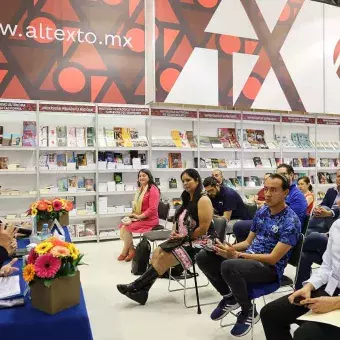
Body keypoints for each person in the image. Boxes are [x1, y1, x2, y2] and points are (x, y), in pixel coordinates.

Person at [196, 174, 301, 337]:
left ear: (286, 192)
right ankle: (230, 297)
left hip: (269, 269)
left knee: (229, 265)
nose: (267, 194)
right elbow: (247, 243)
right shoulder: (263, 211)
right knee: (204, 256)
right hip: (249, 259)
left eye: (274, 190)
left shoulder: (291, 221)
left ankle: (248, 311)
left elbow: (273, 258)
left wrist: (238, 255)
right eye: (265, 189)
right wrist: (225, 248)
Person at [116, 169, 214, 305]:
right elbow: (178, 221)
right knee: (157, 253)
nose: (185, 183)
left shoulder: (203, 200)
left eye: (188, 180)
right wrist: (174, 232)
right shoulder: (187, 198)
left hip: (201, 242)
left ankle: (136, 286)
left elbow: (203, 228)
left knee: (164, 257)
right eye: (183, 181)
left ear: (197, 180)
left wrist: (184, 237)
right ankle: (143, 292)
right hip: (183, 238)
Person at [260, 218, 340, 340]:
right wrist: (309, 286)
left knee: (305, 335)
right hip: (332, 288)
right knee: (270, 313)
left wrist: (336, 303)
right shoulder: (337, 225)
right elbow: (327, 266)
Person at [233, 164, 307, 242]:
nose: (280, 178)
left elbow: (292, 220)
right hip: (269, 219)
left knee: (240, 226)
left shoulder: (297, 195)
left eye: (282, 174)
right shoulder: (278, 189)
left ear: (291, 175)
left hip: (283, 227)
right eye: (277, 175)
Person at [118, 169, 160, 262]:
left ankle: (125, 251)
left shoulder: (153, 189)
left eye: (144, 175)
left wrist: (139, 217)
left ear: (149, 177)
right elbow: (137, 205)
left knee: (126, 227)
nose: (141, 177)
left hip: (150, 220)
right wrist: (133, 215)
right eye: (140, 176)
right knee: (123, 225)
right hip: (140, 217)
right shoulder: (140, 189)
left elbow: (153, 209)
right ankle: (131, 249)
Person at [306, 169, 340, 235]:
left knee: (325, 208)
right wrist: (317, 208)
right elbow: (323, 203)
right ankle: (305, 231)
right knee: (310, 233)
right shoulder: (331, 191)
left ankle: (305, 226)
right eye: (338, 176)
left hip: (337, 221)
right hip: (326, 221)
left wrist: (329, 213)